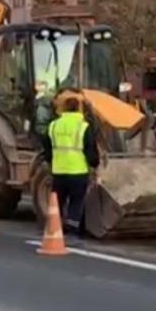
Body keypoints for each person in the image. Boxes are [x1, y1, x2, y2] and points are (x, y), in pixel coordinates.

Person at [48, 96, 99, 239]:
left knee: (58, 201)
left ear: (63, 108)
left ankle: (55, 226)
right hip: (78, 172)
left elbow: (47, 148)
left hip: (58, 172)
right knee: (76, 201)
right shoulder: (83, 127)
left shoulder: (53, 125)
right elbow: (90, 150)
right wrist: (95, 164)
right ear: (79, 108)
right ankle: (72, 228)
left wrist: (51, 162)